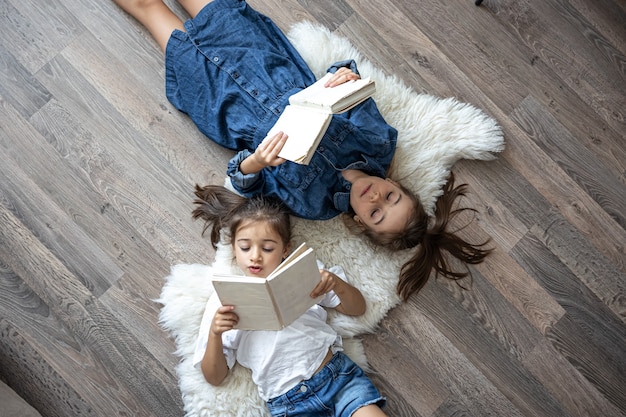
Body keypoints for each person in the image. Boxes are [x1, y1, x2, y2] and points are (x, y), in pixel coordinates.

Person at [113, 0, 492, 300]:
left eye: (376, 212)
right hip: (262, 58)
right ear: (397, 184)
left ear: (360, 222)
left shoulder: (313, 205)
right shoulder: (377, 140)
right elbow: (345, 81)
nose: (375, 196)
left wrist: (257, 162)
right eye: (391, 195)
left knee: (149, 8)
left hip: (220, 101)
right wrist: (347, 77)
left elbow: (244, 184)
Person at [191, 192, 388, 416]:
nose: (255, 257)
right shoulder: (223, 299)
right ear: (234, 248)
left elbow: (358, 308)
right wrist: (215, 334)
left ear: (285, 249)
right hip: (289, 403)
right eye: (245, 248)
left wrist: (336, 284)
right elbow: (214, 377)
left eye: (267, 249)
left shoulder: (302, 270)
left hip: (336, 378)